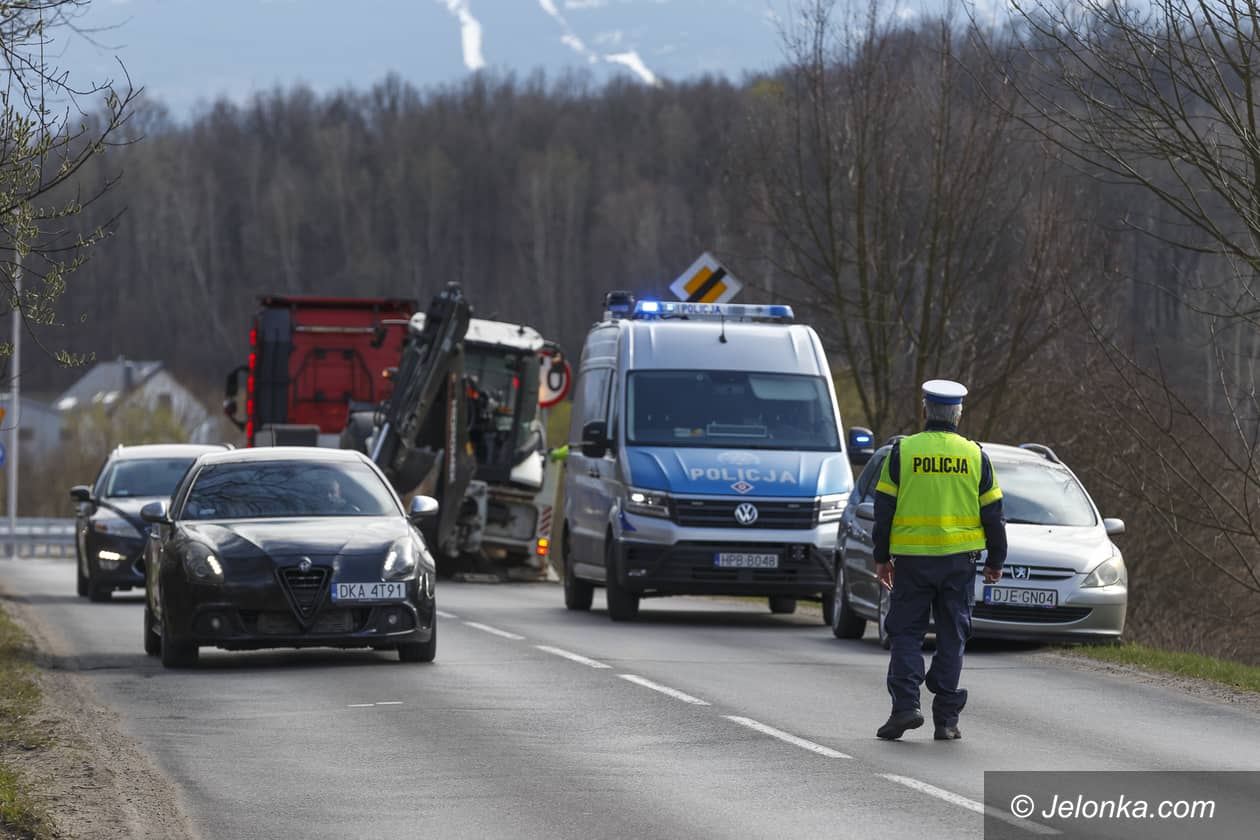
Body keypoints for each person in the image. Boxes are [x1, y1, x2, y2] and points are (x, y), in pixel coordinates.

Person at [871, 380, 1007, 741]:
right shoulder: (976, 456)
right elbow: (993, 514)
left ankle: (905, 708)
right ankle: (946, 720)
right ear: (959, 415)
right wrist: (996, 559)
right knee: (952, 635)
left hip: (913, 562)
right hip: (959, 564)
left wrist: (881, 557)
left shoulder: (902, 453)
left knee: (905, 633)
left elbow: (883, 510)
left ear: (924, 411)